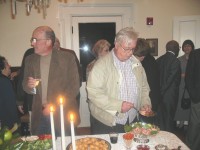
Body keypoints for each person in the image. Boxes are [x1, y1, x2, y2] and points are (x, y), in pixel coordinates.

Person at [86, 27, 152, 134]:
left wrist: (145, 102)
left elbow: (144, 87)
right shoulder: (101, 65)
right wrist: (118, 105)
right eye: (127, 49)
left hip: (132, 119)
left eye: (133, 49)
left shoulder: (137, 64)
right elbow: (94, 94)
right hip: (108, 121)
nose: (130, 53)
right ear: (116, 45)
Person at [22, 26, 80, 136]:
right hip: (40, 115)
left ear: (48, 41)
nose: (32, 43)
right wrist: (30, 86)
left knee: (64, 145)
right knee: (41, 145)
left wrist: (54, 105)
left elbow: (74, 87)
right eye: (32, 40)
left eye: (35, 40)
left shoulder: (67, 58)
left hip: (63, 113)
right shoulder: (30, 60)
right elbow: (25, 85)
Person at [133, 38, 163, 128]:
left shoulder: (143, 62)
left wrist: (145, 103)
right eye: (140, 55)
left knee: (145, 128)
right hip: (151, 98)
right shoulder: (150, 59)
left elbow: (145, 86)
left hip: (148, 99)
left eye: (143, 55)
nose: (142, 57)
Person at [156, 40, 181, 133]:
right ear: (175, 49)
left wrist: (159, 93)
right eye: (178, 47)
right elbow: (170, 80)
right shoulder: (176, 61)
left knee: (160, 121)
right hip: (170, 96)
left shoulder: (159, 59)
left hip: (159, 96)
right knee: (169, 121)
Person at [54, 38, 82, 108]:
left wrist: (76, 86)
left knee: (73, 115)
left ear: (58, 43)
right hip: (55, 94)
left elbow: (78, 71)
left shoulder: (69, 53)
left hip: (71, 92)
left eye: (55, 42)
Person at [174, 40, 194, 131]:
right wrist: (181, 75)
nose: (187, 48)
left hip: (192, 86)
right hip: (181, 85)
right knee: (180, 104)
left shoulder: (195, 58)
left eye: (189, 46)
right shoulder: (179, 59)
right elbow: (176, 73)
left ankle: (189, 122)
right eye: (185, 46)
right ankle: (180, 121)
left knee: (191, 104)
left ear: (192, 47)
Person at [185, 48, 200, 150]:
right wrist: (194, 96)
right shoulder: (195, 54)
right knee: (194, 126)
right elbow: (189, 76)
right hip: (198, 97)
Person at [0, 55, 19, 129]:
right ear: (2, 68)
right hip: (7, 124)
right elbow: (11, 104)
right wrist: (16, 122)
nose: (10, 65)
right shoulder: (4, 81)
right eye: (7, 64)